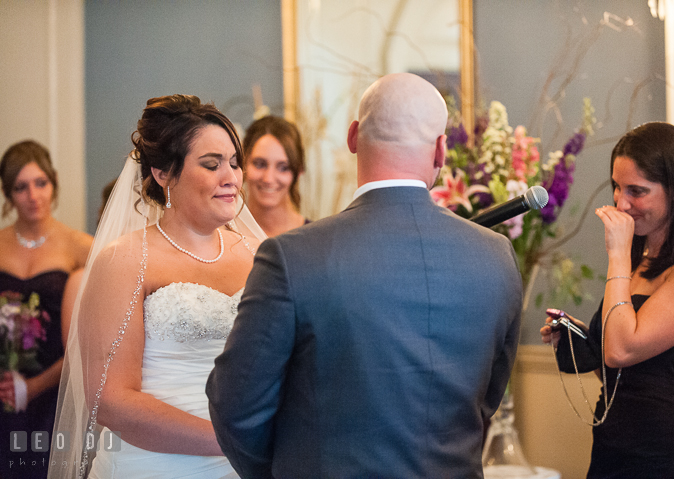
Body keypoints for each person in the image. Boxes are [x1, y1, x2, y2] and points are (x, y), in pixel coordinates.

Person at [207, 72, 523, 478]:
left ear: (353, 136)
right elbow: (486, 400)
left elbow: (236, 407)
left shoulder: (293, 256)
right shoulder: (496, 256)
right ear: (441, 150)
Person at [49, 94, 266, 479]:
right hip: (152, 465)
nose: (231, 177)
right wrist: (228, 440)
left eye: (234, 162)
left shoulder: (258, 254)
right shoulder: (126, 260)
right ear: (163, 173)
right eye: (211, 164)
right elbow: (109, 400)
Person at [540, 122, 674, 478]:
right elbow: (619, 369)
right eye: (617, 187)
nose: (621, 203)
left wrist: (618, 256)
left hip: (668, 456)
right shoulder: (641, 259)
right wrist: (581, 340)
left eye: (637, 191)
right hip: (613, 447)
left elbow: (622, 350)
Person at [0, 140, 93, 479]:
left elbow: (93, 335)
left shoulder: (80, 247)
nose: (33, 196)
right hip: (4, 388)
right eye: (21, 187)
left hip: (56, 391)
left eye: (41, 183)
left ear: (53, 183)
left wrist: (36, 385)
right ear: (8, 194)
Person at [242, 115, 309, 236]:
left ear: (299, 171)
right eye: (259, 164)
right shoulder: (220, 237)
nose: (268, 179)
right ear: (242, 163)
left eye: (283, 167)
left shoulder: (316, 239)